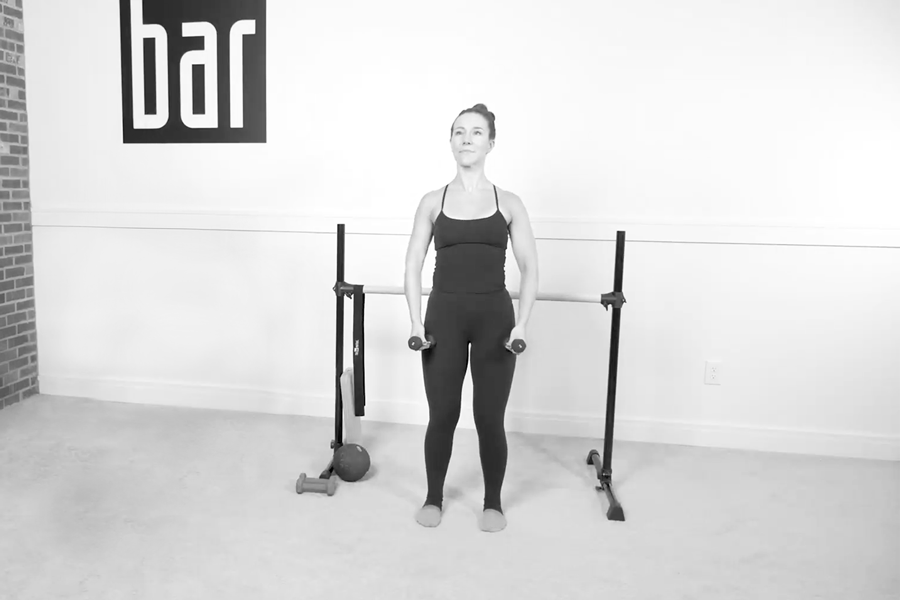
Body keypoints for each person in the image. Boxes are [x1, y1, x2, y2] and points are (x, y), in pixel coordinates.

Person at [403, 103, 539, 532]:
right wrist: (414, 322)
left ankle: (493, 503)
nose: (466, 138)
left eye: (476, 132)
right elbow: (412, 266)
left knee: (488, 417)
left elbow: (530, 268)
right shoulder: (431, 201)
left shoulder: (510, 203)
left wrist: (522, 324)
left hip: (494, 319)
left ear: (491, 143)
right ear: (450, 141)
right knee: (442, 414)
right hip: (443, 316)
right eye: (459, 132)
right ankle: (433, 497)